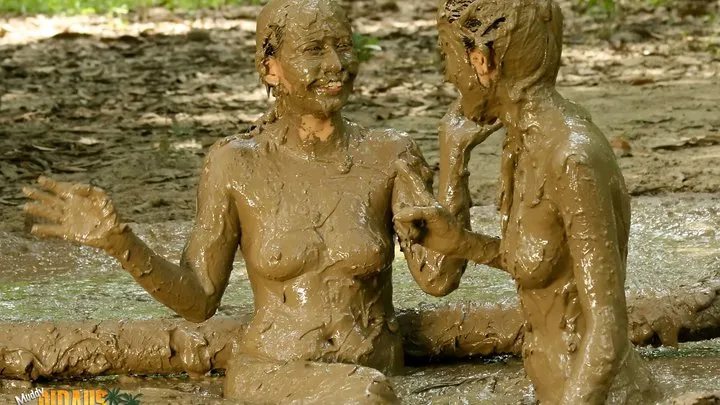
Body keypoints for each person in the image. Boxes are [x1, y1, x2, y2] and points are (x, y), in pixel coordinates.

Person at [22, 0, 498, 403]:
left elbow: (437, 279)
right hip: (272, 374)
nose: (336, 64)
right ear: (271, 67)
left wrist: (454, 162)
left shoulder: (389, 154)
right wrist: (120, 243)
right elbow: (198, 300)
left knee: (365, 390)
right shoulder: (233, 164)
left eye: (343, 45)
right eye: (314, 50)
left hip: (375, 380)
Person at [393, 0, 660, 403]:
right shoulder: (525, 139)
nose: (449, 75)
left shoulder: (571, 158)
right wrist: (462, 243)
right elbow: (548, 266)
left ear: (481, 61)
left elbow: (608, 330)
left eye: (447, 57)